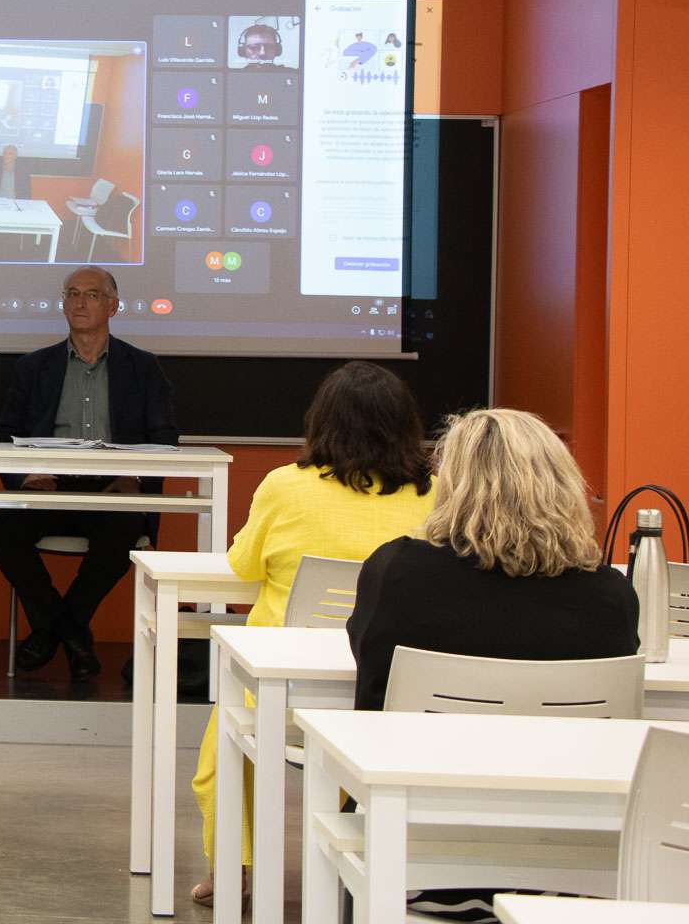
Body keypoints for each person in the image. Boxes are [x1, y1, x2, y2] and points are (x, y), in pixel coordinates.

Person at [188, 361, 436, 906]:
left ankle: (234, 872)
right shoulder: (435, 494)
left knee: (221, 756)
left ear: (321, 421)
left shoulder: (285, 486)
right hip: (396, 691)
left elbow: (244, 566)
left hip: (286, 691)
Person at [348, 407, 639, 713]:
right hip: (564, 759)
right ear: (564, 483)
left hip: (417, 757)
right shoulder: (611, 598)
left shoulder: (396, 573)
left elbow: (370, 665)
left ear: (454, 485)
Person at [0, 266, 178, 679]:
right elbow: (5, 433)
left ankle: (54, 630)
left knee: (123, 533)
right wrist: (25, 478)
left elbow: (164, 437)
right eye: (71, 293)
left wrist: (137, 481)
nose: (79, 302)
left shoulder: (143, 368)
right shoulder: (34, 367)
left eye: (91, 294)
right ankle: (71, 631)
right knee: (2, 531)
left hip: (113, 489)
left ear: (113, 305)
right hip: (50, 485)